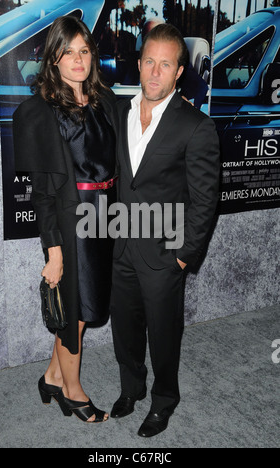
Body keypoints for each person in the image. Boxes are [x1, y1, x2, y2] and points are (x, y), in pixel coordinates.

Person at [110, 24, 220, 437]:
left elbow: (204, 199)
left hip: (164, 254)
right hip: (120, 246)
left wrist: (183, 254)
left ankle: (163, 400)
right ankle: (131, 389)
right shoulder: (119, 112)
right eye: (149, 62)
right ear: (139, 65)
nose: (155, 72)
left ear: (178, 72)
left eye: (166, 64)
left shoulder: (196, 126)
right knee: (124, 330)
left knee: (163, 335)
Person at [13, 16, 118, 424]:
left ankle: (53, 377)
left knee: (81, 310)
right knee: (73, 310)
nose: (78, 59)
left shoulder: (104, 101)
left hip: (105, 218)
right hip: (71, 222)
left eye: (85, 50)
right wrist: (53, 252)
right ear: (54, 58)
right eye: (69, 51)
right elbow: (42, 193)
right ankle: (73, 392)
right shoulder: (41, 112)